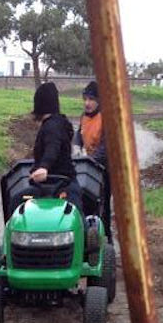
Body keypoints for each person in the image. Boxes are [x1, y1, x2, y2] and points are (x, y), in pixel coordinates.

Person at [28, 81, 83, 211]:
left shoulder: (52, 126)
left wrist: (44, 167)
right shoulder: (59, 123)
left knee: (74, 216)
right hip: (53, 182)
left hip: (61, 183)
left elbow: (53, 147)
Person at [73, 79, 111, 239]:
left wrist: (90, 161)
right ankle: (86, 234)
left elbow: (106, 147)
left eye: (91, 100)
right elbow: (79, 134)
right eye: (85, 99)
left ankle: (106, 237)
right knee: (85, 198)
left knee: (102, 203)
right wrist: (76, 146)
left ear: (99, 101)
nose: (87, 103)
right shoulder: (84, 117)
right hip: (89, 165)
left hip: (105, 167)